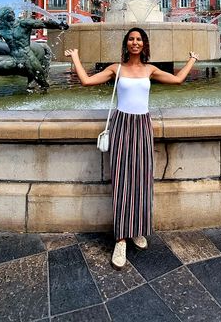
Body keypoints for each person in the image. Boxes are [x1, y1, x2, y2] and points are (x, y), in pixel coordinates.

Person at [65, 28, 198, 270]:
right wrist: (75, 57)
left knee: (143, 179)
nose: (135, 43)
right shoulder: (116, 68)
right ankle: (120, 239)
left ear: (144, 44)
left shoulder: (150, 70)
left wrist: (192, 60)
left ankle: (138, 229)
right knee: (121, 180)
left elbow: (178, 80)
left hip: (143, 126)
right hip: (122, 124)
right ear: (126, 44)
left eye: (139, 39)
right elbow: (86, 81)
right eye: (131, 39)